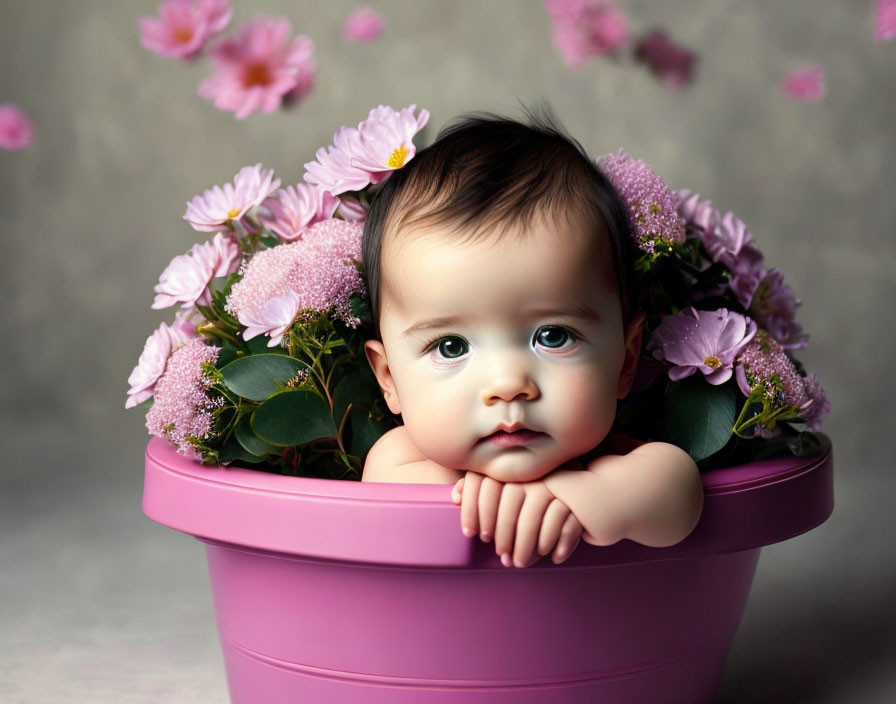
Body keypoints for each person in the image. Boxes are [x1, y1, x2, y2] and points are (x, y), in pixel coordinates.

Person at [360, 109, 703, 569]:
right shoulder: (398, 461)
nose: (508, 384)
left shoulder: (615, 462)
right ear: (390, 378)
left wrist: (578, 494)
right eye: (451, 346)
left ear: (625, 360)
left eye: (554, 336)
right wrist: (483, 498)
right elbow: (387, 513)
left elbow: (679, 493)